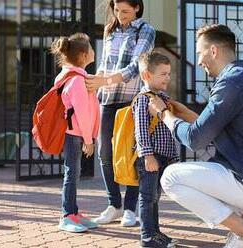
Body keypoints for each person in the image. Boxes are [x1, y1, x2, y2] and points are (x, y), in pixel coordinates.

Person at [148, 24, 243, 248]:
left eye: (199, 53)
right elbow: (214, 130)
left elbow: (195, 140)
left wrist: (164, 114)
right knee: (213, 169)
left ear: (213, 51)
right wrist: (185, 114)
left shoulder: (231, 82)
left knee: (171, 177)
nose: (198, 61)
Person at [86, 0, 156, 226]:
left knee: (130, 154)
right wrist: (95, 83)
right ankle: (114, 205)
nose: (120, 14)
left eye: (125, 11)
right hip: (107, 99)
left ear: (137, 7)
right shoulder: (110, 29)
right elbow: (106, 63)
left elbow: (137, 66)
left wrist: (105, 80)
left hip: (130, 100)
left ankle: (130, 209)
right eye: (117, 10)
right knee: (105, 153)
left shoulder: (146, 30)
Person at [50, 33, 100, 233]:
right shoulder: (77, 80)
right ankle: (66, 216)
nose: (94, 50)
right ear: (83, 54)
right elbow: (82, 112)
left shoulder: (73, 75)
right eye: (91, 47)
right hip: (75, 133)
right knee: (71, 173)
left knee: (74, 172)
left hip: (75, 132)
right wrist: (88, 140)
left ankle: (74, 212)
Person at [133, 51, 182, 248]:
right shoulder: (144, 99)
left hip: (163, 157)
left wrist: (173, 155)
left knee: (155, 197)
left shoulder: (163, 98)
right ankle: (147, 236)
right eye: (163, 74)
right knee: (147, 197)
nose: (168, 78)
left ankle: (155, 232)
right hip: (151, 157)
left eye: (169, 73)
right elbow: (141, 130)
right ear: (147, 75)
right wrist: (147, 156)